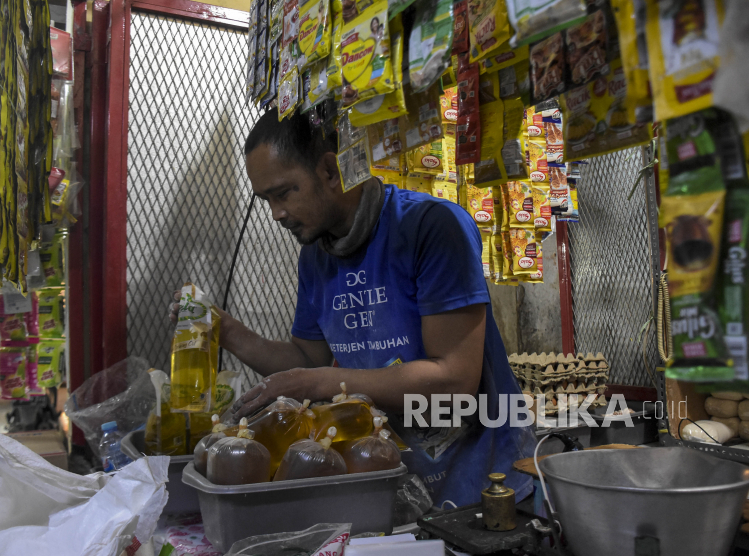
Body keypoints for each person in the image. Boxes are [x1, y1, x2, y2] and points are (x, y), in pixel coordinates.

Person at [169, 108, 536, 507]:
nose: (276, 213)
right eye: (266, 200)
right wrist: (226, 330)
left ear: (329, 170)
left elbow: (453, 382)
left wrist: (323, 383)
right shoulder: (316, 256)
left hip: (485, 483)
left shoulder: (432, 228)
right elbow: (308, 359)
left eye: (284, 192)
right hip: (395, 479)